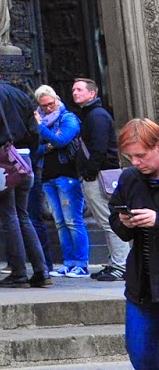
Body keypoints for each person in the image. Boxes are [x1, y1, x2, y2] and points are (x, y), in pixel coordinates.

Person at [0, 60, 50, 287]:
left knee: (9, 216)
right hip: (24, 157)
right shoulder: (20, 94)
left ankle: (18, 272)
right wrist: (29, 154)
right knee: (23, 215)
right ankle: (41, 271)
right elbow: (34, 130)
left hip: (1, 158)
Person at [110, 118, 159, 370]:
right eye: (130, 157)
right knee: (140, 353)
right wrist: (124, 222)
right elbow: (115, 218)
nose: (136, 162)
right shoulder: (130, 178)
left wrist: (157, 220)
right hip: (142, 282)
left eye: (141, 155)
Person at [73, 77, 129, 282]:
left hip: (100, 176)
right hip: (98, 174)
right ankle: (115, 262)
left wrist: (89, 171)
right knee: (107, 221)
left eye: (79, 89)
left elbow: (99, 147)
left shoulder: (96, 116)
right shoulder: (92, 114)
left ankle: (121, 265)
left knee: (110, 221)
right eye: (73, 90)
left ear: (92, 93)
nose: (75, 93)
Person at [37, 85, 91, 278]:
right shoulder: (41, 120)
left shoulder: (68, 118)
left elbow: (61, 141)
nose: (47, 109)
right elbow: (36, 149)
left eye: (50, 104)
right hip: (47, 176)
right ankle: (68, 262)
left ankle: (81, 263)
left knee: (73, 221)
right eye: (43, 106)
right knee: (60, 222)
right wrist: (48, 145)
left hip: (67, 175)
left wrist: (42, 129)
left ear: (57, 100)